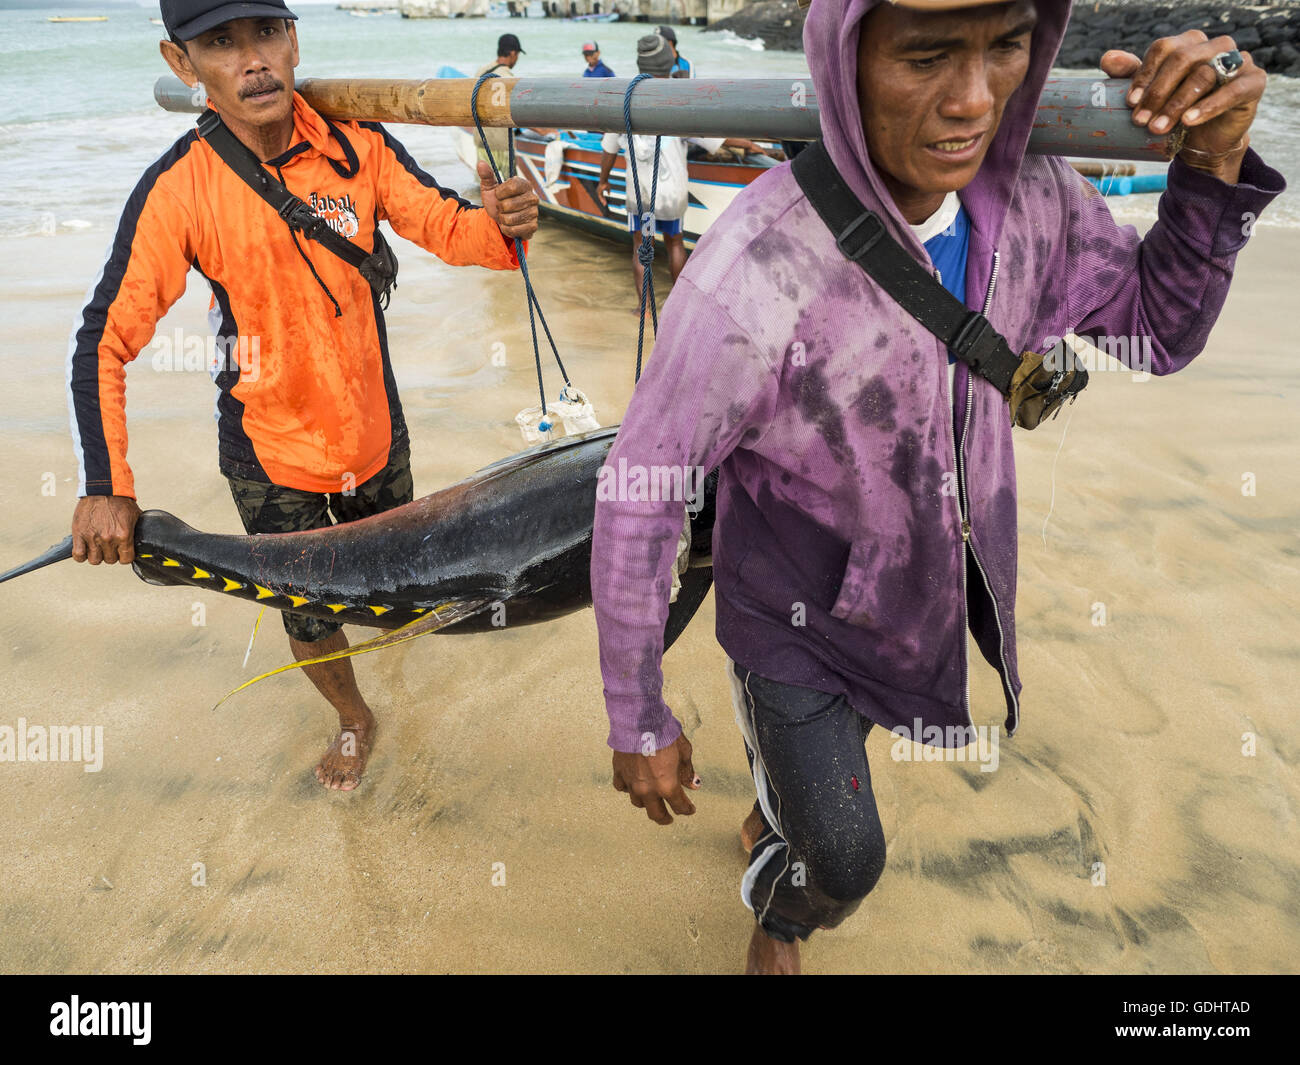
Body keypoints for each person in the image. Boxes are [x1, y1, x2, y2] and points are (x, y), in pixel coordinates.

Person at [591, 0, 1281, 974]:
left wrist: (1209, 166)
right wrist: (638, 712)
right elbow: (641, 490)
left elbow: (1152, 336)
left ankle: (781, 799)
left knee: (818, 782)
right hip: (789, 618)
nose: (971, 99)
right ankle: (781, 915)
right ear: (844, 61)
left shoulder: (1038, 200)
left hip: (924, 600)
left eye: (1002, 46)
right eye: (924, 55)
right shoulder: (753, 268)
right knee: (845, 856)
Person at [67, 0, 540, 792]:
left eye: (266, 33)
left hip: (373, 434)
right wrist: (107, 486)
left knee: (400, 583)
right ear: (183, 63)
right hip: (269, 451)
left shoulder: (359, 148)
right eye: (221, 42)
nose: (252, 60)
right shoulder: (180, 189)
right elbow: (103, 341)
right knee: (310, 611)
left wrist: (507, 222)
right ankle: (354, 717)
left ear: (294, 40)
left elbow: (461, 236)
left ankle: (394, 650)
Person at [594, 34, 775, 309]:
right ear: (669, 64)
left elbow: (608, 150)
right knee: (675, 244)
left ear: (640, 63)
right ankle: (679, 310)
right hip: (673, 194)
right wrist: (749, 144)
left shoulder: (624, 100)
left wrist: (602, 181)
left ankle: (644, 309)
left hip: (641, 195)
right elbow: (713, 138)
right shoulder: (679, 102)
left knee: (642, 248)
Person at [475, 33, 526, 176]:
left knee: (486, 187)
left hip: (482, 142)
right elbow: (518, 113)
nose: (516, 59)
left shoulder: (481, 71)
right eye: (517, 55)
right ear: (512, 53)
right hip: (502, 145)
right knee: (508, 191)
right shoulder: (508, 78)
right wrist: (546, 131)